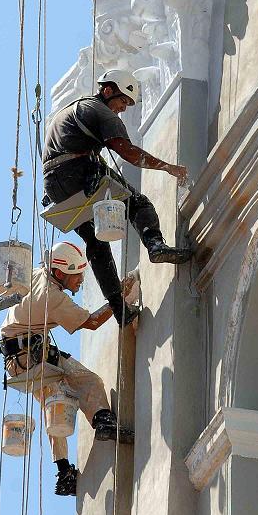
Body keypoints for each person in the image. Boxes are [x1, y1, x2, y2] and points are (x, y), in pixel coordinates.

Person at [42, 69, 192, 327]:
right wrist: (167, 167)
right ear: (108, 90)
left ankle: (119, 309)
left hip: (55, 187)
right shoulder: (98, 111)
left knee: (96, 242)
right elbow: (128, 152)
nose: (123, 108)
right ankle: (155, 246)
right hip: (79, 172)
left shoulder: (70, 112)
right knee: (138, 203)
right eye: (122, 101)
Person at [0, 240, 138, 497]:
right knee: (72, 391)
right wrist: (118, 296)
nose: (80, 281)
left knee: (71, 394)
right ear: (60, 273)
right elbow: (93, 322)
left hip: (22, 357)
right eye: (76, 276)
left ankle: (77, 453)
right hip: (29, 359)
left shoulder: (40, 274)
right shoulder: (53, 297)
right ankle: (94, 430)